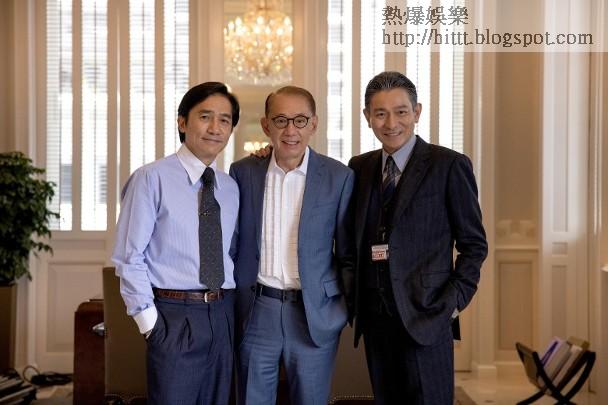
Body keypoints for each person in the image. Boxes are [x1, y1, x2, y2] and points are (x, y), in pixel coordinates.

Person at [344, 71, 488, 404]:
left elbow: (474, 245)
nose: (391, 123)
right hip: (375, 320)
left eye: (401, 112)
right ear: (367, 117)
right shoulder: (359, 167)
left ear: (417, 112)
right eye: (380, 113)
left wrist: (452, 303)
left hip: (428, 316)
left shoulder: (449, 165)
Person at [112, 82, 240, 405]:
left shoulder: (230, 187)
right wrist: (150, 325)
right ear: (182, 122)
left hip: (223, 314)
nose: (215, 128)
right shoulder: (150, 178)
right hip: (174, 317)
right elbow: (129, 257)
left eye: (224, 120)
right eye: (205, 117)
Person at [229, 85, 354, 405]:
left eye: (300, 120)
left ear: (314, 124)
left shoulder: (339, 177)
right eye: (280, 120)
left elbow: (348, 253)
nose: (290, 130)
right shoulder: (243, 172)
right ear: (266, 125)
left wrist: (341, 310)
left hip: (314, 314)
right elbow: (232, 242)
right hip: (257, 311)